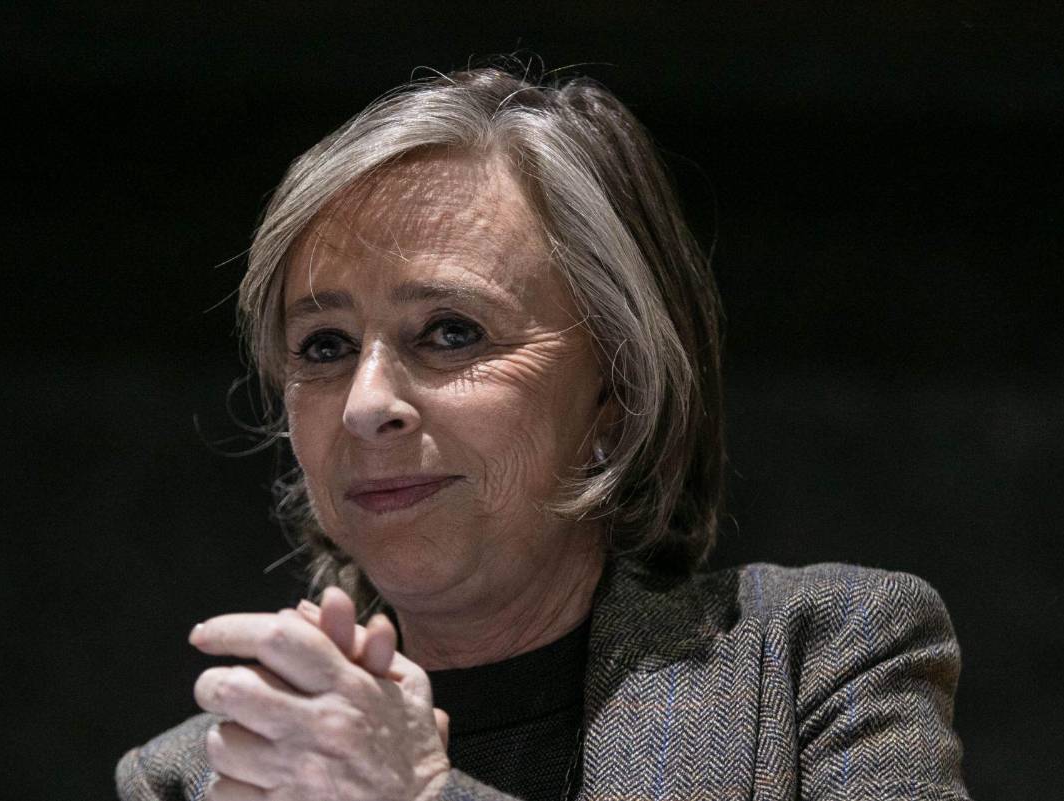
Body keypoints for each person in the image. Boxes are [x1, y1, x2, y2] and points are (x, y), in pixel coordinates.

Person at [116, 65, 971, 801]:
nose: (365, 403)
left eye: (451, 331)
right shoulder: (193, 777)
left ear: (617, 388)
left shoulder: (822, 658)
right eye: (324, 347)